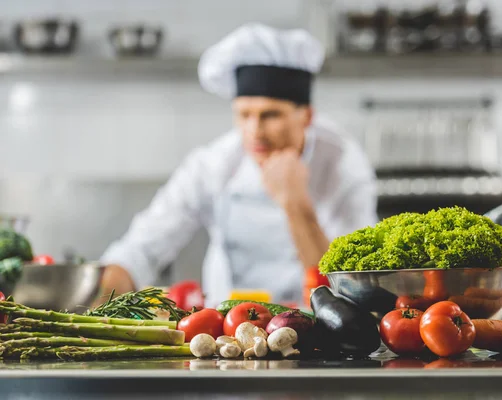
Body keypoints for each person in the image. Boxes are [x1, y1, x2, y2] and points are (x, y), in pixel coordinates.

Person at [99, 23, 378, 307]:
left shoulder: (344, 165)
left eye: (270, 115)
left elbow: (353, 286)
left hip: (315, 330)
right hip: (225, 330)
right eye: (244, 115)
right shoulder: (214, 163)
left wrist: (295, 204)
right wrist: (97, 301)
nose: (254, 130)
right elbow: (141, 249)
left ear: (306, 117)